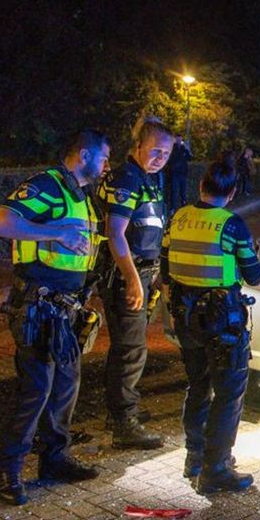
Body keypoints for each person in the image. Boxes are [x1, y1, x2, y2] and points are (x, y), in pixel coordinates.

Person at [0, 130, 111, 505]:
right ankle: (7, 472)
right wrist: (55, 232)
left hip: (66, 309)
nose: (108, 165)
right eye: (104, 157)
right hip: (38, 307)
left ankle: (54, 460)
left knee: (64, 388)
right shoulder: (48, 185)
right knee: (35, 391)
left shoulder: (82, 196)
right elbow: (1, 224)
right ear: (84, 154)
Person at [162, 157, 260, 493]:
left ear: (200, 185)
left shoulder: (178, 217)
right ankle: (216, 469)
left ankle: (194, 458)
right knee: (228, 393)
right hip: (222, 321)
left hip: (186, 317)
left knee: (198, 385)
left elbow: (165, 267)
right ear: (234, 191)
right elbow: (254, 276)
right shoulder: (232, 225)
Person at [96, 116, 173, 450]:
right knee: (130, 350)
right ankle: (123, 424)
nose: (160, 158)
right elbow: (115, 233)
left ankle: (121, 413)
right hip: (125, 275)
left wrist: (153, 274)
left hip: (141, 272)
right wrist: (132, 280)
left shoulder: (147, 178)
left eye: (167, 153)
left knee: (131, 347)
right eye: (155, 151)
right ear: (138, 146)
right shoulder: (128, 178)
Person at [163, 136, 192, 220]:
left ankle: (184, 208)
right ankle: (172, 209)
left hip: (183, 174)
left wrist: (188, 150)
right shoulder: (172, 149)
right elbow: (171, 160)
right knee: (174, 192)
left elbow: (190, 158)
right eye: (177, 139)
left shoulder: (184, 149)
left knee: (182, 193)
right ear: (175, 140)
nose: (179, 141)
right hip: (174, 174)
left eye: (180, 139)